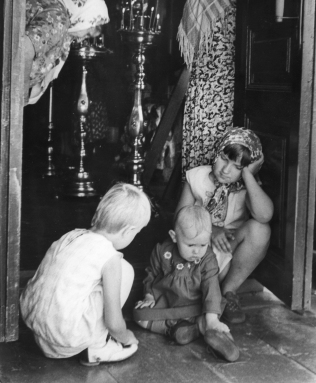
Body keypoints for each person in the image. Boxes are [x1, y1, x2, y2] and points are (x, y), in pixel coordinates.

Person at [20, 183, 151, 366]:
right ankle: (98, 346)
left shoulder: (71, 236)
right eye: (136, 233)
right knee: (126, 269)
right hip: (66, 337)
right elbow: (113, 323)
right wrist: (127, 337)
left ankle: (77, 341)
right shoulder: (109, 257)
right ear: (127, 231)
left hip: (38, 332)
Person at [175, 127, 274, 324]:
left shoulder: (248, 188)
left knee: (261, 230)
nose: (226, 170)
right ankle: (201, 298)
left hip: (226, 256)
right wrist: (210, 229)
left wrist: (247, 175)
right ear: (217, 152)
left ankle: (227, 293)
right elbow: (180, 217)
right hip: (197, 255)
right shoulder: (197, 177)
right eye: (224, 159)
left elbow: (264, 215)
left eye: (237, 167)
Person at [134, 205, 240, 362]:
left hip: (196, 307)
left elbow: (212, 288)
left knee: (211, 320)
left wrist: (212, 319)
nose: (197, 251)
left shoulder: (208, 259)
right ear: (174, 236)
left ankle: (218, 335)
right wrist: (149, 296)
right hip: (166, 305)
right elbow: (152, 274)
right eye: (191, 245)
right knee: (139, 315)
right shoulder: (162, 251)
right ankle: (187, 329)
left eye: (203, 245)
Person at [177, 0, 238, 176]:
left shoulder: (199, 8)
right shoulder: (231, 11)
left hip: (202, 95)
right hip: (221, 97)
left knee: (201, 151)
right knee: (218, 156)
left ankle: (195, 207)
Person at [24, 0, 109, 105]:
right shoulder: (59, 18)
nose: (81, 40)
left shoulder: (53, 5)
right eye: (87, 34)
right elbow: (25, 50)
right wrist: (17, 101)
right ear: (84, 18)